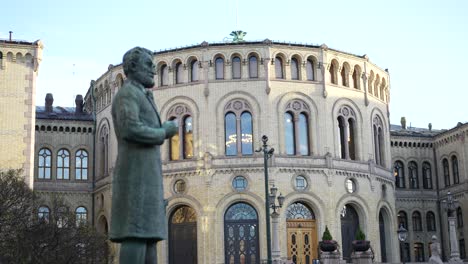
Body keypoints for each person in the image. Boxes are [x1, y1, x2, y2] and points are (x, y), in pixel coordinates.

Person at [109, 47, 178, 264]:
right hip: (135, 175)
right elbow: (130, 129)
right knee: (136, 233)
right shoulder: (127, 93)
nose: (153, 71)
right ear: (132, 67)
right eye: (148, 65)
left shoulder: (141, 94)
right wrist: (163, 132)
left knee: (148, 236)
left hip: (146, 175)